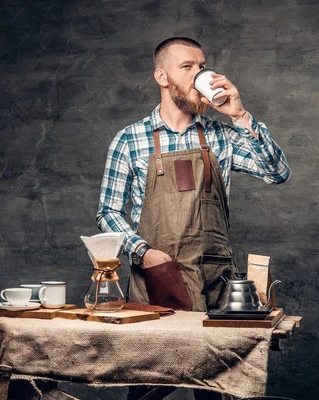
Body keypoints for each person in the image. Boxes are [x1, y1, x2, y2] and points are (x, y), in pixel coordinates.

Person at [96, 36, 290, 314]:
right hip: (157, 276)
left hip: (214, 278)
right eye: (187, 66)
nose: (198, 74)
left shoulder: (223, 136)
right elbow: (108, 212)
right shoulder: (129, 139)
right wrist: (143, 253)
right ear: (162, 76)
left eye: (202, 66)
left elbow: (277, 172)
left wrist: (239, 115)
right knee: (157, 354)